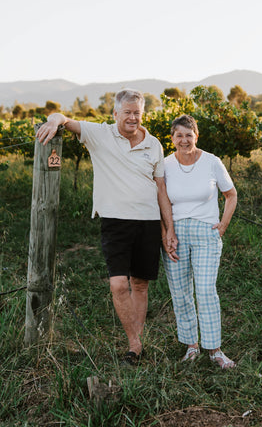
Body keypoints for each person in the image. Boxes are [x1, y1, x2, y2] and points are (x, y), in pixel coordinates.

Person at [36, 89, 177, 364]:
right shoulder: (100, 134)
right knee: (117, 285)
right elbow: (65, 119)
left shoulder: (154, 144)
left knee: (140, 284)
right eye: (127, 112)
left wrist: (168, 228)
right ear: (115, 114)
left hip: (148, 222)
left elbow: (161, 188)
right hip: (115, 222)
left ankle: (135, 346)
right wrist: (54, 119)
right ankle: (135, 342)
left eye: (137, 112)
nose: (133, 118)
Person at [161, 114, 237, 369]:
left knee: (205, 291)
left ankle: (214, 349)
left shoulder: (212, 162)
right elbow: (161, 203)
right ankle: (191, 346)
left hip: (206, 233)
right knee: (181, 293)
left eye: (188, 135)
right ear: (172, 139)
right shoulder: (165, 165)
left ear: (196, 136)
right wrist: (166, 233)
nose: (184, 140)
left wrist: (223, 224)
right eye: (179, 135)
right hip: (176, 234)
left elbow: (231, 194)